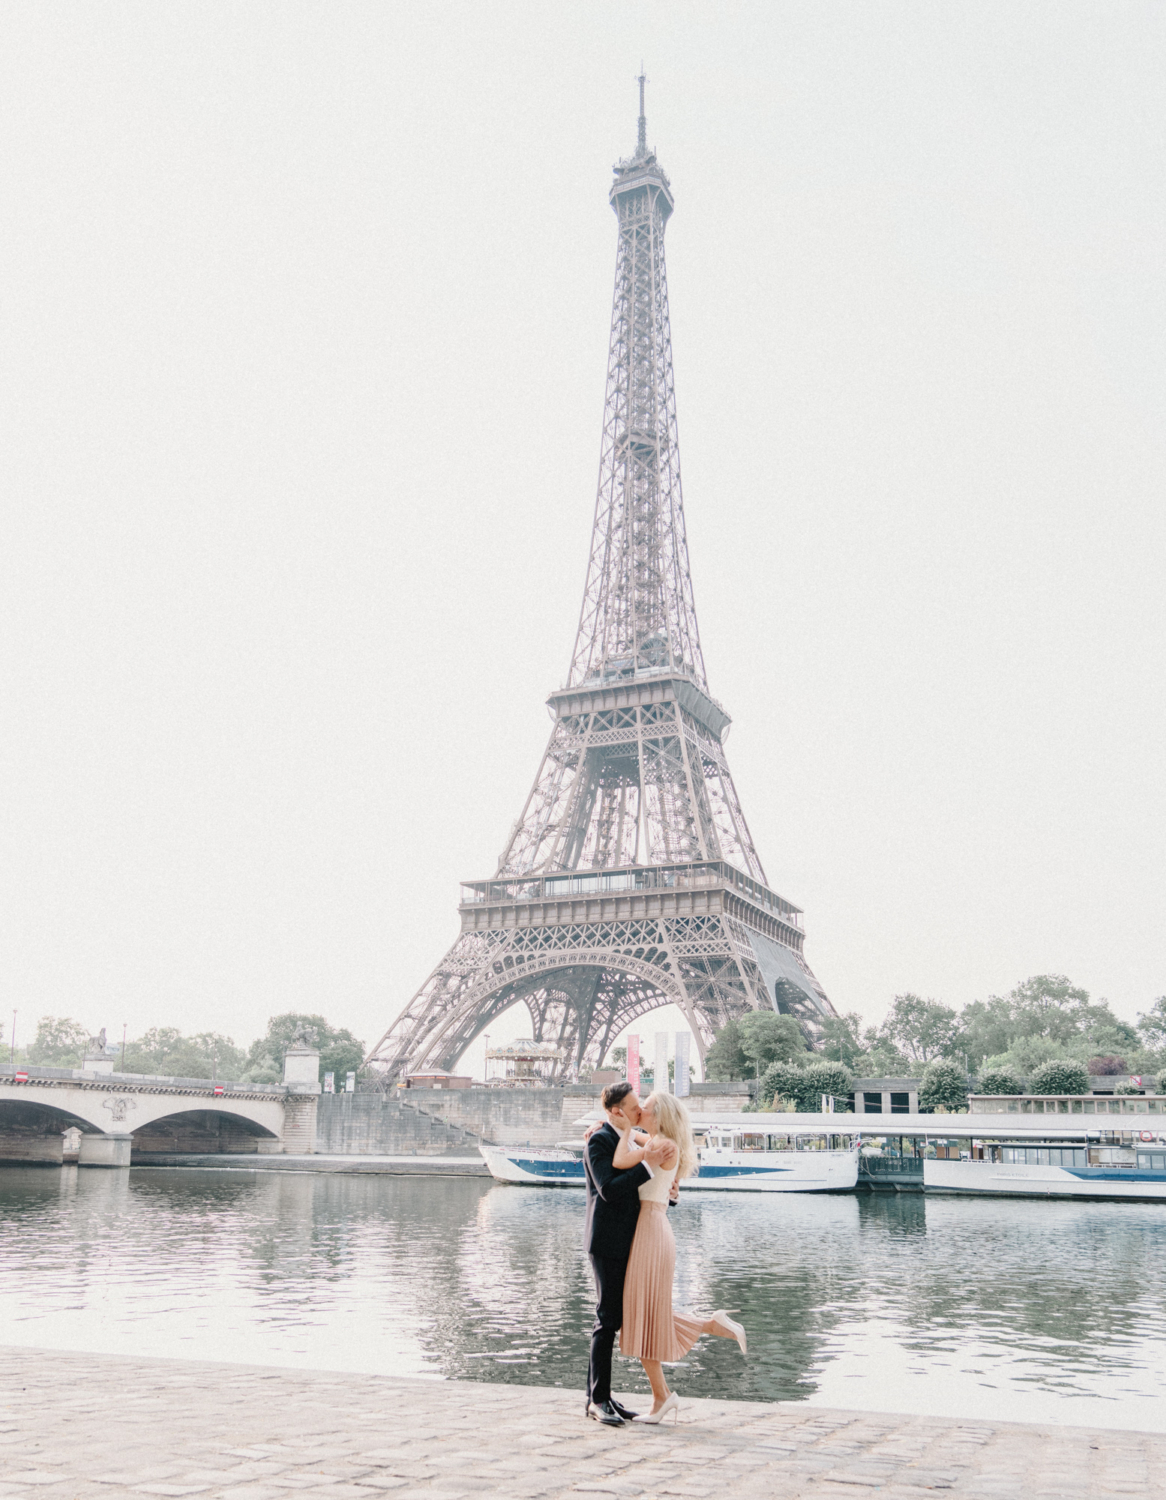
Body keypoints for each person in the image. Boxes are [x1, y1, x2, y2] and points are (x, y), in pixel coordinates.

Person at [613, 1091, 748, 1424]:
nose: (639, 1109)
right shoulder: (663, 1141)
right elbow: (643, 1143)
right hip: (654, 1227)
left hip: (650, 1230)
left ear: (658, 1116)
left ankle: (665, 1395)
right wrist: (625, 1129)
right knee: (645, 1316)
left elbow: (620, 1161)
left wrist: (622, 1129)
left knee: (642, 1316)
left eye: (645, 1107)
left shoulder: (660, 1146)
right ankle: (664, 1394)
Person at [583, 1081, 670, 1426]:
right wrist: (647, 1166)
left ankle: (598, 1395)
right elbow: (608, 1190)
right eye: (634, 1108)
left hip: (627, 1239)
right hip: (606, 1241)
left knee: (612, 1319)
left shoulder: (626, 1138)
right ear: (616, 1111)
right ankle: (598, 1399)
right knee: (607, 1319)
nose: (639, 1113)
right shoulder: (598, 1140)